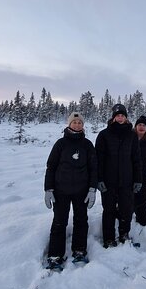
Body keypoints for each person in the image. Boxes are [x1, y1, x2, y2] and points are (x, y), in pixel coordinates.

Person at [43, 112, 97, 269]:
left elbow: (94, 168)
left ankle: (79, 251)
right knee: (59, 222)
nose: (77, 125)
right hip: (61, 191)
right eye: (74, 122)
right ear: (69, 124)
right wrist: (48, 188)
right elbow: (51, 167)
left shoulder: (87, 145)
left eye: (80, 122)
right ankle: (55, 255)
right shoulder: (60, 144)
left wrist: (92, 188)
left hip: (82, 191)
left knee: (81, 221)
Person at [95, 104, 142, 247]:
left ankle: (124, 234)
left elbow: (136, 159)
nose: (120, 118)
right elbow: (98, 159)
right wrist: (99, 179)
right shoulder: (104, 135)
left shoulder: (132, 135)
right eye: (118, 115)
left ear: (126, 117)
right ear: (113, 117)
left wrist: (138, 179)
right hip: (109, 180)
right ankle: (108, 238)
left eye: (122, 115)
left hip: (127, 180)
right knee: (108, 209)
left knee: (126, 208)